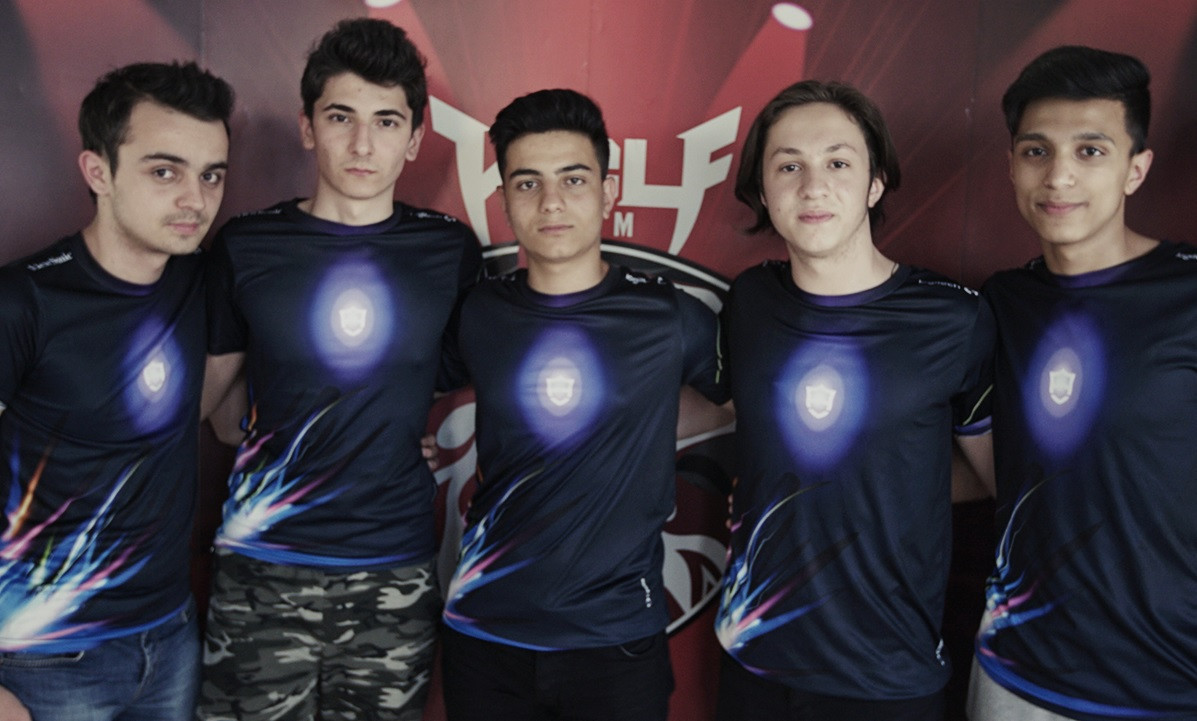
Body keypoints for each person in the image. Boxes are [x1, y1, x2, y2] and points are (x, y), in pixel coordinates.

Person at [197, 18, 480, 721]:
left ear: (413, 138)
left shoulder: (448, 251)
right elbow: (218, 411)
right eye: (340, 117)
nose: (362, 144)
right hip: (262, 568)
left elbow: (429, 374)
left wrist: (383, 431)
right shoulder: (247, 245)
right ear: (306, 126)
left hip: (392, 572)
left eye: (386, 122)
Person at [436, 88, 727, 721]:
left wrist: (650, 418)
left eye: (573, 179)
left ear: (608, 190)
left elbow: (746, 404)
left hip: (615, 643)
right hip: (485, 634)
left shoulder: (668, 318)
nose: (552, 202)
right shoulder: (481, 314)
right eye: (528, 183)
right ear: (504, 198)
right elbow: (403, 386)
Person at [712, 80, 994, 721]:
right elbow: (740, 413)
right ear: (762, 191)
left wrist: (888, 480)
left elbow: (992, 475)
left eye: (838, 163)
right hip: (753, 658)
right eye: (789, 166)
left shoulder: (953, 319)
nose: (814, 186)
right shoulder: (751, 301)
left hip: (886, 677)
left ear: (874, 184)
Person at [969, 45, 1197, 721]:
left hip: (1170, 681)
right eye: (1036, 151)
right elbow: (996, 466)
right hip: (1017, 676)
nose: (1059, 176)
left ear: (1135, 168)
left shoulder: (1187, 292)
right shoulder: (999, 304)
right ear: (1012, 164)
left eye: (1090, 151)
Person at [0, 61, 233, 720]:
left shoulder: (202, 281)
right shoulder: (24, 302)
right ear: (98, 172)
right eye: (165, 172)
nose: (195, 200)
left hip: (170, 638)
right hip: (44, 659)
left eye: (211, 174)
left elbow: (223, 412)